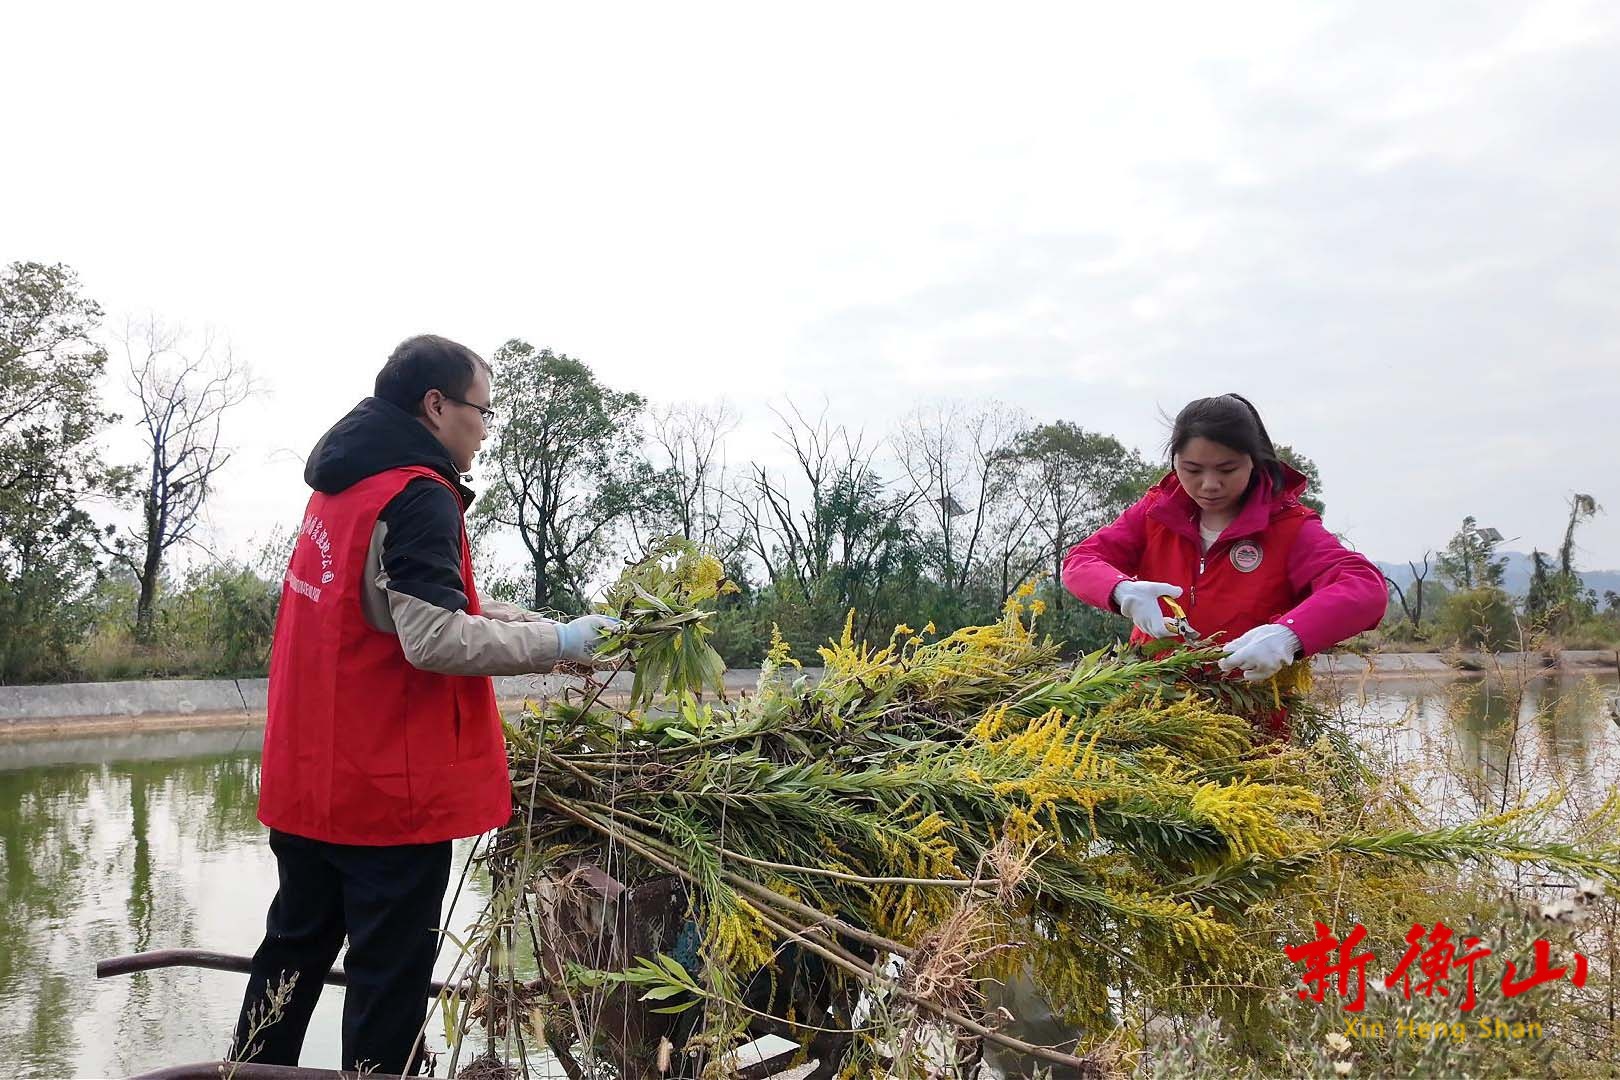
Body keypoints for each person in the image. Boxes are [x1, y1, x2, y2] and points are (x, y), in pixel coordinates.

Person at [229, 335, 619, 1075]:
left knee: (292, 952)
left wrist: (508, 616)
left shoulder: (344, 483)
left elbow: (382, 606)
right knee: (389, 979)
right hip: (386, 795)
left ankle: (244, 1069)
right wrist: (562, 642)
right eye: (482, 412)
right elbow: (432, 638)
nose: (484, 429)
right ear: (436, 405)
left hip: (311, 781)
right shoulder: (418, 493)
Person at [1062, 393, 1386, 735]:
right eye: (1192, 469)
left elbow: (1364, 587)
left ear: (1255, 462)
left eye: (1227, 469)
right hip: (1149, 721)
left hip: (1248, 734)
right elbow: (1081, 561)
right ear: (1175, 462)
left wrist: (1289, 634)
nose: (1210, 484)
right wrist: (1120, 589)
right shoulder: (1155, 513)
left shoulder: (1290, 528)